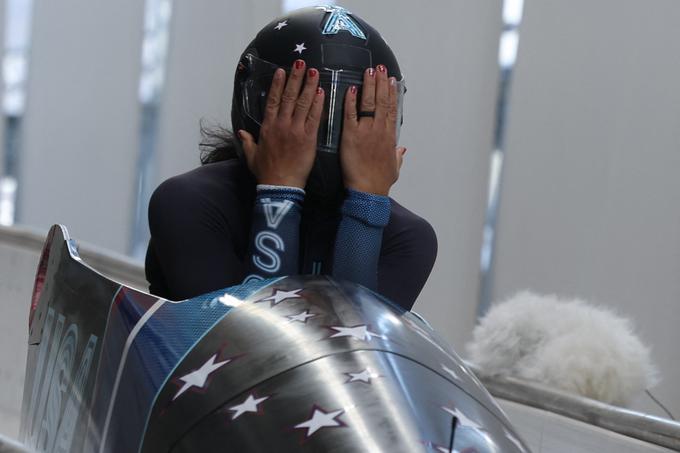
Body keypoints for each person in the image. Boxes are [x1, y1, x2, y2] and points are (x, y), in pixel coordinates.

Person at [145, 5, 437, 310]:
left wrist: (367, 204)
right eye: (302, 109)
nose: (326, 134)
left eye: (356, 113)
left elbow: (349, 350)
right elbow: (243, 346)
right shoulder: (189, 203)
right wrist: (279, 191)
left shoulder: (409, 239)